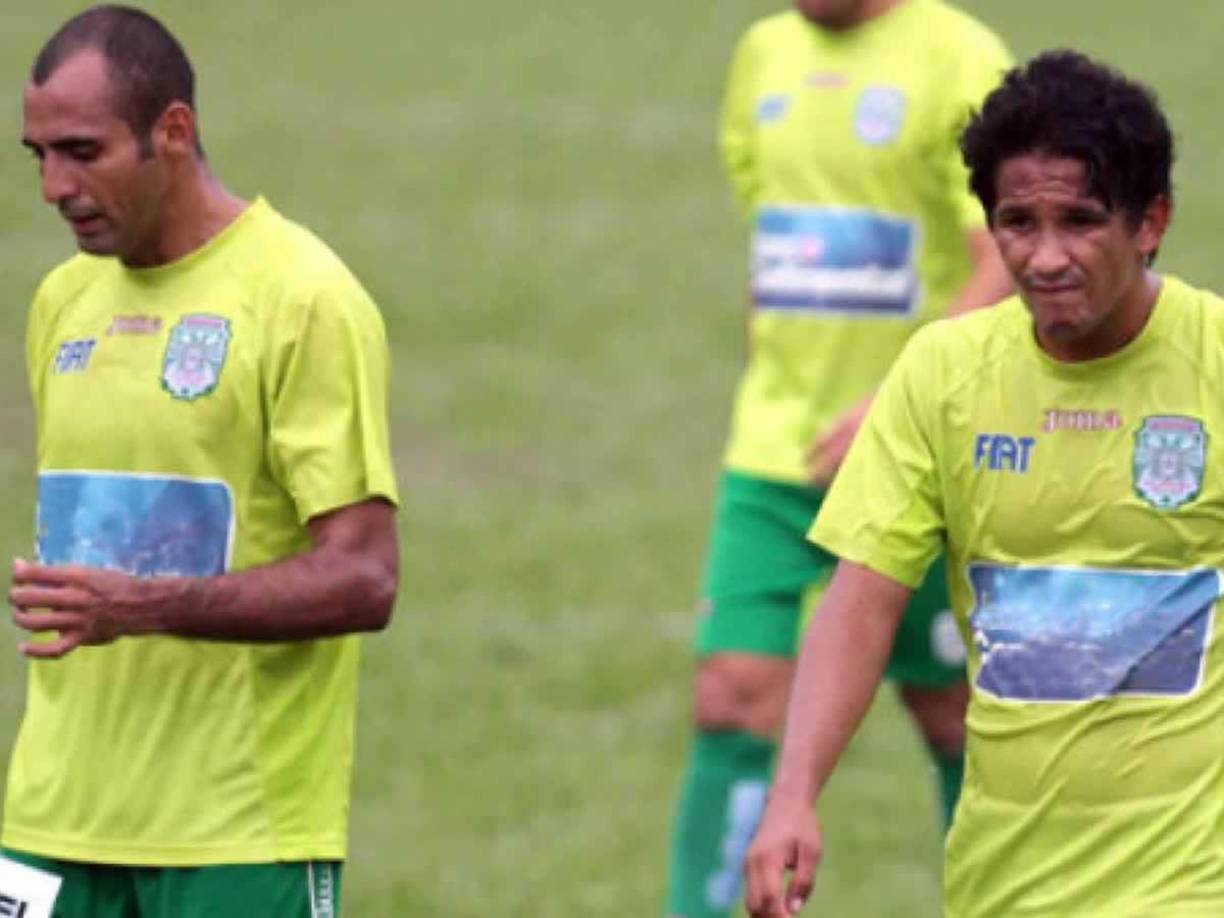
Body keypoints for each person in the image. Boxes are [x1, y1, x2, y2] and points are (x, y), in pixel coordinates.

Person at [744, 50, 1220, 917]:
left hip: (1193, 879)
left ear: (1151, 222)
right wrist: (793, 794)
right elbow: (862, 599)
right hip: (1006, 880)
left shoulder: (1215, 365)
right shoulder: (944, 373)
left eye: (1080, 221)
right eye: (1016, 223)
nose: (1044, 258)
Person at [2, 6, 399, 917]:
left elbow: (365, 579)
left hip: (236, 836)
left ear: (171, 132)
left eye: (81, 152)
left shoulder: (304, 298)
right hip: (49, 823)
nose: (53, 187)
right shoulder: (62, 302)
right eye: (38, 157)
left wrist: (146, 608)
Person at [665, 1, 1012, 915]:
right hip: (773, 453)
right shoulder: (763, 54)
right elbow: (774, 240)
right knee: (731, 695)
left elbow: (1004, 259)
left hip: (915, 458)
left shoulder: (961, 56)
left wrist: (900, 402)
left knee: (949, 711)